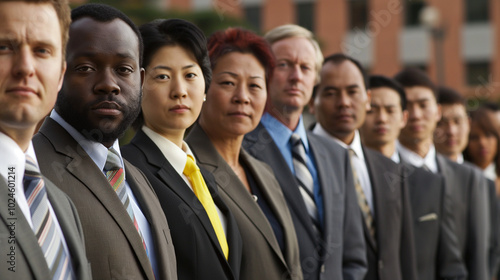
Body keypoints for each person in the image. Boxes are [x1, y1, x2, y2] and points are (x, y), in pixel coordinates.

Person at [32, 4, 177, 280]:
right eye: (86, 67)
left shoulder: (137, 179)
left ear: (141, 80)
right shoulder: (30, 173)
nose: (109, 84)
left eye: (124, 69)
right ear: (58, 72)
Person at [243, 24, 367, 280]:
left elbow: (353, 256)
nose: (296, 76)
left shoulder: (336, 155)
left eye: (305, 68)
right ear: (263, 72)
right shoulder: (239, 148)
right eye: (284, 64)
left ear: (315, 79)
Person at [121, 19, 242, 280]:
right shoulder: (128, 171)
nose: (179, 91)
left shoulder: (203, 175)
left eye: (190, 75)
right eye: (163, 76)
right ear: (137, 86)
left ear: (205, 87)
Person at [185, 27, 302, 280]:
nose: (242, 97)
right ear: (203, 87)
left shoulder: (264, 172)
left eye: (255, 86)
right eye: (228, 83)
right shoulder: (185, 167)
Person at [0, 1, 91, 279]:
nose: (25, 67)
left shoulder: (62, 205)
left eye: (42, 50)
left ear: (61, 74)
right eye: (4, 47)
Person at [309, 55, 417, 280]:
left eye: (353, 91)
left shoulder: (391, 169)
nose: (344, 102)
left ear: (367, 99)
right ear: (312, 101)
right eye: (330, 93)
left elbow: (404, 253)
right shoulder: (301, 164)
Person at [360, 75, 467, 280]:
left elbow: (451, 266)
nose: (382, 118)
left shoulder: (430, 183)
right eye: (372, 109)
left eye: (390, 110)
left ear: (403, 117)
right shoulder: (343, 175)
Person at [395, 67, 489, 280]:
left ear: (437, 111)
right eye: (407, 106)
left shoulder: (469, 178)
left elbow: (479, 254)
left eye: (423, 104)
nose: (416, 114)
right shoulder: (383, 175)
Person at [436, 89, 500, 278]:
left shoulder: (484, 183)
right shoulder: (416, 179)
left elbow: (491, 249)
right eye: (442, 123)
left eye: (457, 121)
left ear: (468, 123)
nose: (451, 131)